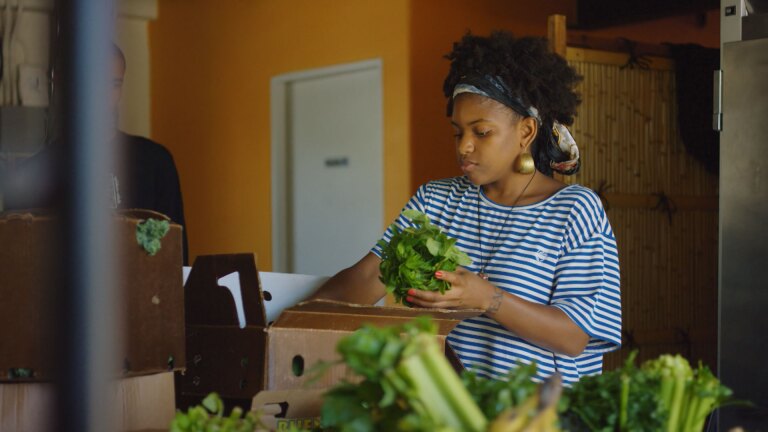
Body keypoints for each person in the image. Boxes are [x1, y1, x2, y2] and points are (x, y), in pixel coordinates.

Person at [312, 31, 621, 385]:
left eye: (482, 132)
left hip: (539, 417)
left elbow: (575, 337)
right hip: (449, 413)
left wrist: (488, 298)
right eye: (458, 133)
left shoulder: (575, 211)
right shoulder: (436, 200)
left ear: (526, 131)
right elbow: (369, 277)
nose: (465, 147)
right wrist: (284, 322)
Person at [3, 43, 189, 264]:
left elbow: (177, 263)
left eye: (113, 84)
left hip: (146, 296)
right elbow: (16, 272)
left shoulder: (156, 163)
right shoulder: (32, 175)